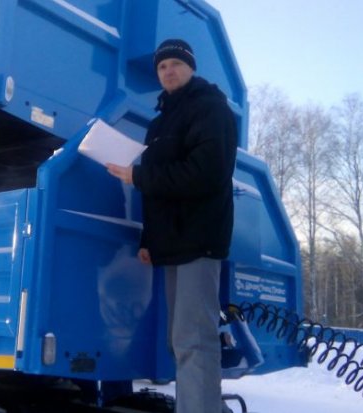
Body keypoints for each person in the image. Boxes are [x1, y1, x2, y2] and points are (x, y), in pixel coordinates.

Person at [106, 39, 237, 413]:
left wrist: (138, 176)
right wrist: (149, 239)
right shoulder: (161, 122)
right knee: (178, 341)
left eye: (176, 64)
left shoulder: (210, 108)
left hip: (199, 238)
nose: (168, 71)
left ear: (191, 67)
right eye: (162, 66)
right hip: (172, 242)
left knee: (193, 339)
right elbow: (158, 192)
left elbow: (205, 173)